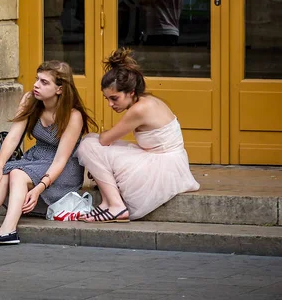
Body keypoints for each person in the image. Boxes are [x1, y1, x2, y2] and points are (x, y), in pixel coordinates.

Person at [0, 60, 97, 245]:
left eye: (44, 82)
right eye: (37, 79)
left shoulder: (73, 116)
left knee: (18, 174)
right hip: (36, 157)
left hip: (63, 168)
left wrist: (38, 188)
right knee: (3, 174)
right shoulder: (31, 100)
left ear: (59, 89)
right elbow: (13, 137)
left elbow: (61, 160)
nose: (36, 85)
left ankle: (8, 230)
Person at [76, 48, 200, 222]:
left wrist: (98, 162)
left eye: (114, 98)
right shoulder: (146, 100)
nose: (110, 104)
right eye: (107, 99)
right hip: (170, 161)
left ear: (131, 92)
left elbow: (105, 140)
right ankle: (106, 203)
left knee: (89, 144)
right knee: (92, 144)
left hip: (164, 168)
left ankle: (116, 207)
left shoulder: (139, 110)